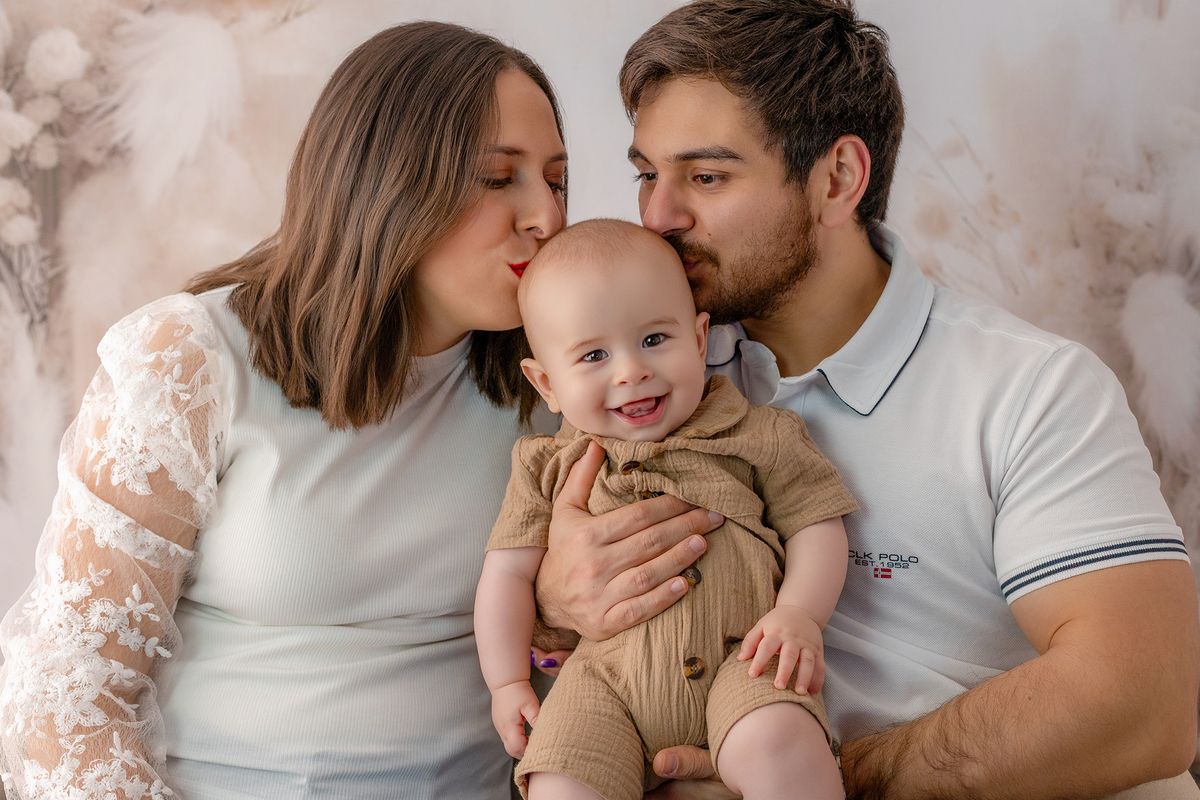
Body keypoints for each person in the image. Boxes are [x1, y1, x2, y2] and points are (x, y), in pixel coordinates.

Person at [531, 2, 1200, 798]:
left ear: (839, 178)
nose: (658, 216)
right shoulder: (636, 377)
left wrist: (823, 776)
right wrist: (553, 600)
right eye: (648, 173)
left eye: (706, 176)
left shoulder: (1028, 389)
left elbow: (1143, 704)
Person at [0, 21, 580, 800]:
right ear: (387, 180)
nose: (544, 216)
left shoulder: (562, 385)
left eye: (557, 179)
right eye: (498, 176)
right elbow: (63, 702)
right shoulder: (191, 360)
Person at [475, 219, 857, 800]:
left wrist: (801, 613)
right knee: (561, 780)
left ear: (700, 340)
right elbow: (506, 573)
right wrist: (505, 681)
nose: (631, 370)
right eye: (595, 354)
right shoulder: (543, 467)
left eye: (654, 340)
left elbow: (817, 523)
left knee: (779, 740)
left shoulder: (761, 434)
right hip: (605, 685)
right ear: (546, 383)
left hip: (744, 655)